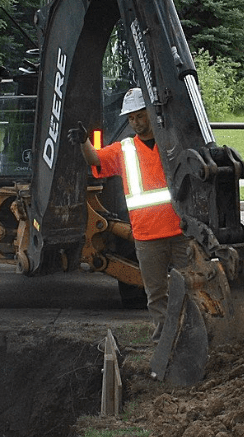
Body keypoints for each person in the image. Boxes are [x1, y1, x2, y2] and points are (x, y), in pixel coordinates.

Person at [67, 87, 189, 341]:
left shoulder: (172, 143)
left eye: (140, 116)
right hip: (147, 235)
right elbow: (95, 159)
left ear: (152, 113)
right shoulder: (125, 149)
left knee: (191, 286)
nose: (135, 122)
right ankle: (164, 336)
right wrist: (84, 142)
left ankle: (191, 331)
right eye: (131, 118)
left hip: (179, 230)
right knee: (156, 293)